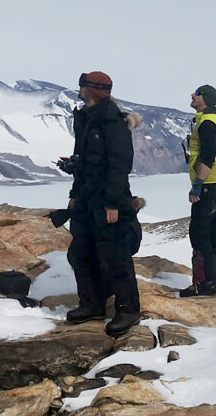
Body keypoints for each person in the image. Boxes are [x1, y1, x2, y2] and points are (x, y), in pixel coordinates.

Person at [59, 71, 144, 337]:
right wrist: (75, 192)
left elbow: (119, 166)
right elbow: (83, 159)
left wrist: (112, 203)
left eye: (83, 86)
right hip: (85, 198)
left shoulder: (112, 122)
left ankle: (128, 310)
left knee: (114, 256)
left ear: (94, 90)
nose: (79, 89)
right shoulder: (87, 119)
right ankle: (92, 304)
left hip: (108, 200)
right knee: (79, 252)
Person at [179, 84, 216, 297]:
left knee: (199, 233)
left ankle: (204, 283)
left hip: (209, 185)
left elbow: (207, 156)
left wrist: (198, 184)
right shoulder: (210, 120)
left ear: (206, 99)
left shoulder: (207, 123)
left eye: (197, 93)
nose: (192, 94)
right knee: (215, 231)